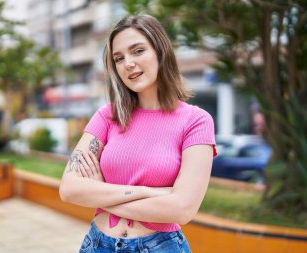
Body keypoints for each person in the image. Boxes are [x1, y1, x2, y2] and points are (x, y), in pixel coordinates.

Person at [59, 14, 217, 253]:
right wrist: (148, 193)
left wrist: (101, 194)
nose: (128, 63)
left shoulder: (196, 121)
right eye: (119, 58)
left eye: (138, 51)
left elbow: (182, 209)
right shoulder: (107, 116)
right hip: (98, 245)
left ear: (160, 52)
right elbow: (69, 189)